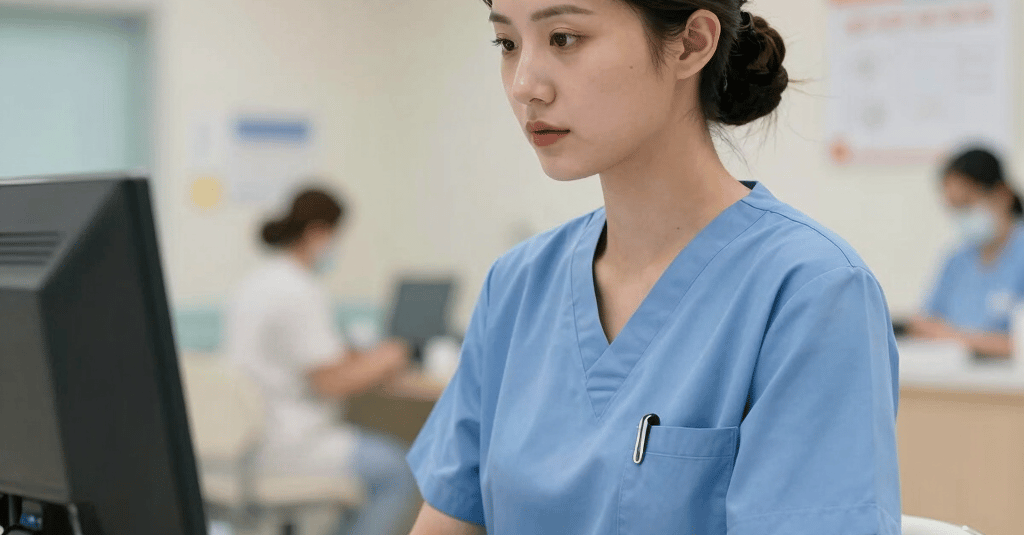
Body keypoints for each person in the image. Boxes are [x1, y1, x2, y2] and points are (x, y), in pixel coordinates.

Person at [406, 1, 901, 534]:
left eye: (564, 38)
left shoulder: (810, 292)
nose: (525, 86)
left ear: (692, 43)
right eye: (507, 44)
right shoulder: (516, 285)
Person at [224, 188, 419, 535]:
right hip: (287, 442)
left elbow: (316, 356)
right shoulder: (297, 289)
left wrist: (362, 358)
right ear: (318, 232)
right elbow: (330, 382)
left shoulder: (257, 282)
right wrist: (388, 358)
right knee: (397, 472)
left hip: (244, 443)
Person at [909, 147, 1024, 358]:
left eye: (967, 204)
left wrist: (954, 337)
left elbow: (1018, 344)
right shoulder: (957, 260)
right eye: (954, 208)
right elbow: (922, 325)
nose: (962, 216)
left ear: (1003, 195)